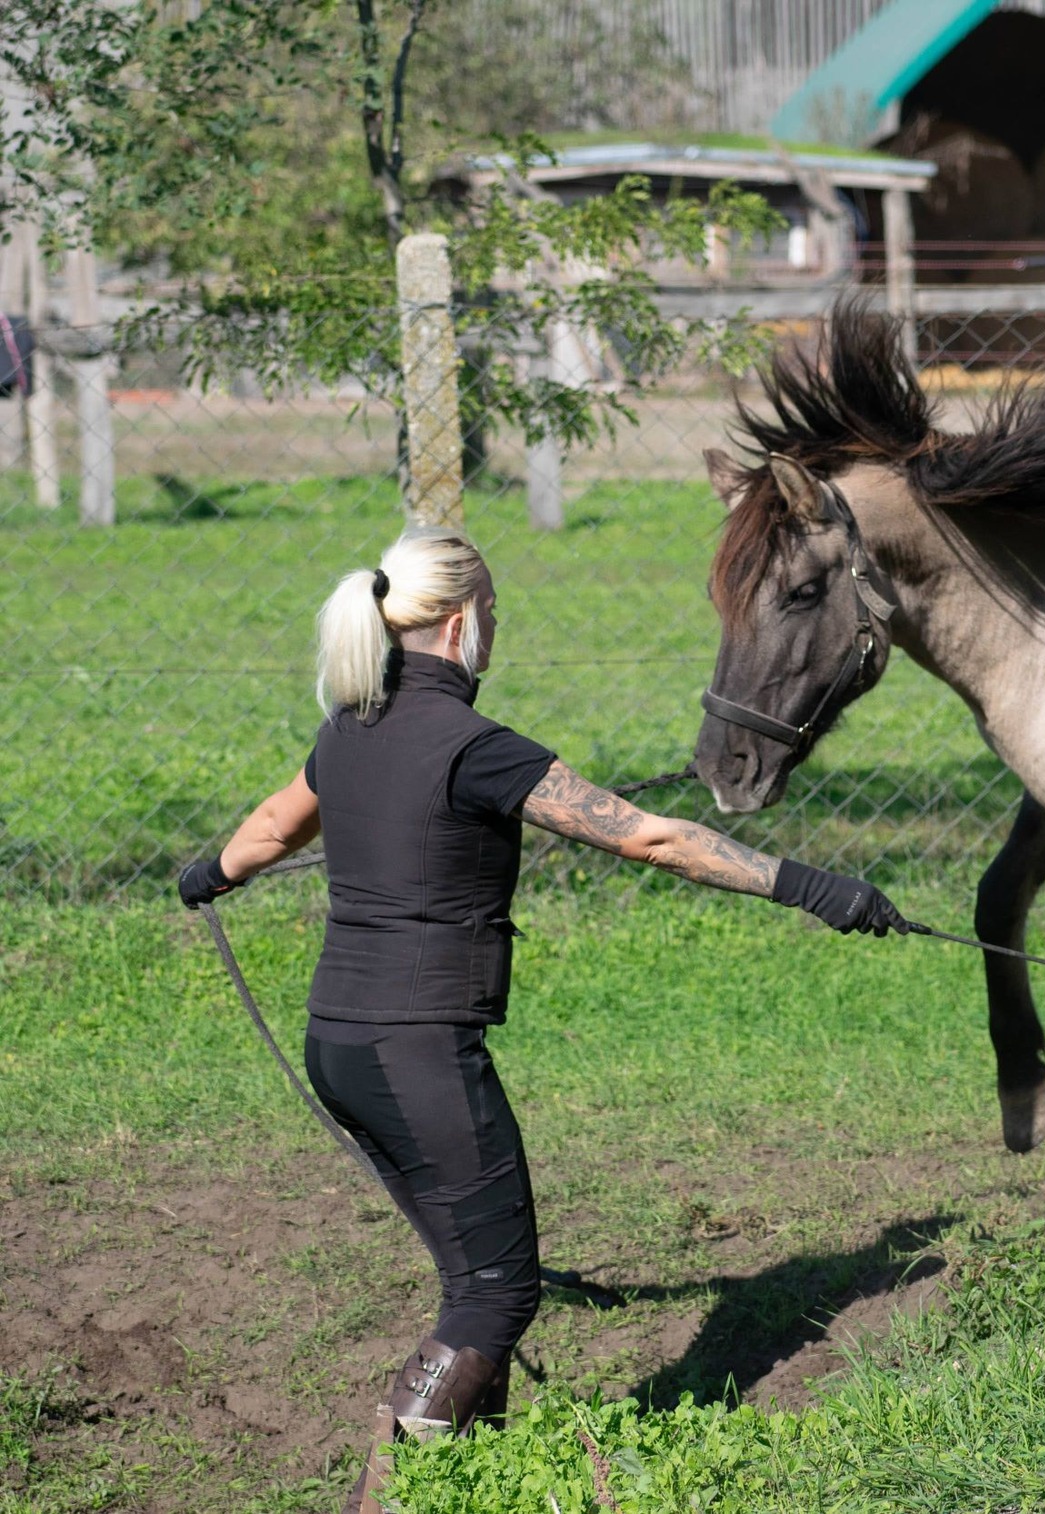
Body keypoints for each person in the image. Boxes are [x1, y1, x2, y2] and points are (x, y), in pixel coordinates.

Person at [178, 527, 908, 1514]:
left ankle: (467, 1483)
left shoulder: (347, 729)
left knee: (472, 1277)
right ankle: (382, 1497)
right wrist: (812, 885)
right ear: (464, 619)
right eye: (495, 618)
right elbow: (649, 835)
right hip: (417, 1050)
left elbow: (271, 824)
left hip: (342, 1047)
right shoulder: (477, 747)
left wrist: (209, 871)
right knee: (497, 1291)